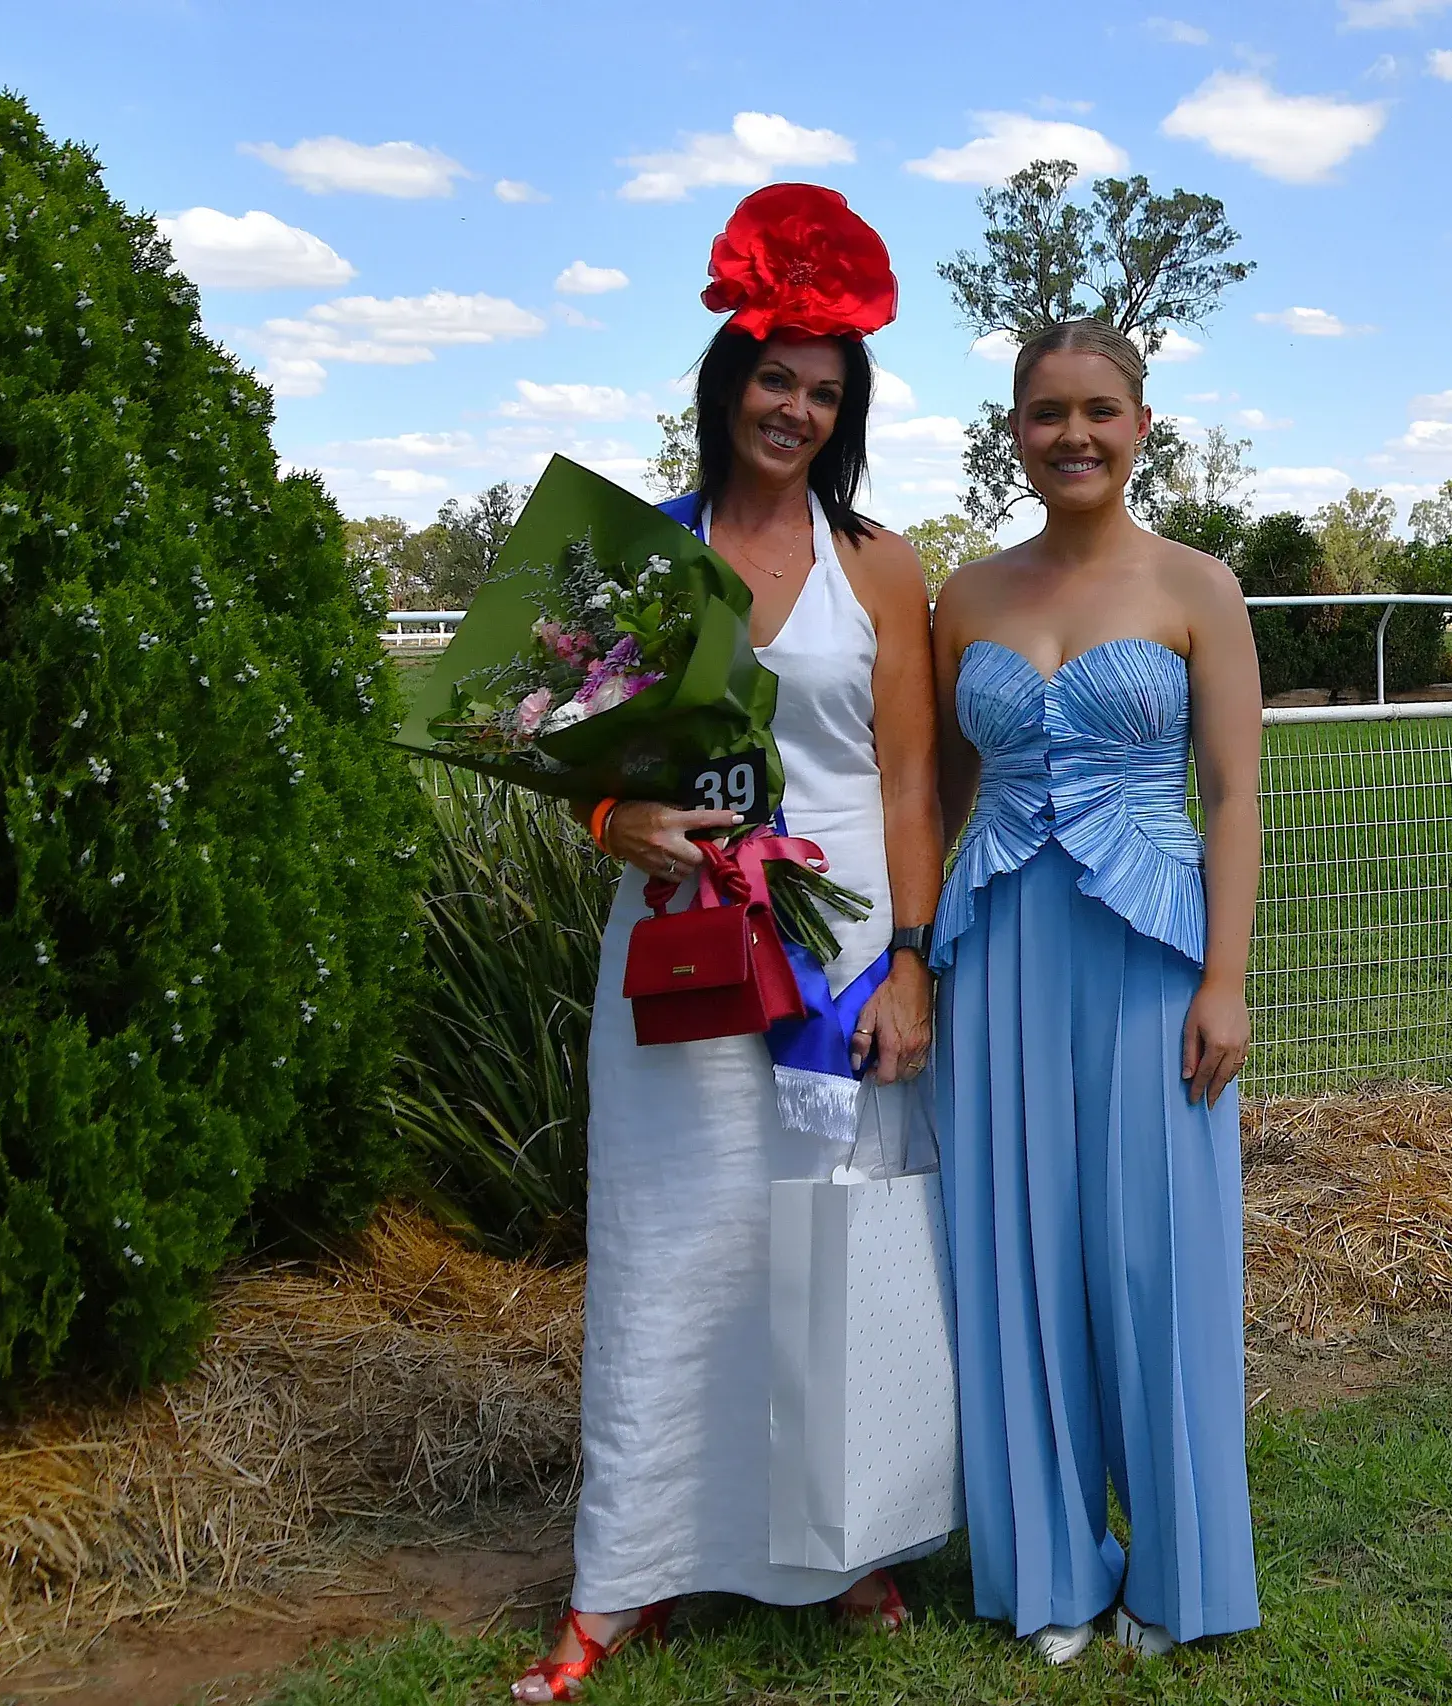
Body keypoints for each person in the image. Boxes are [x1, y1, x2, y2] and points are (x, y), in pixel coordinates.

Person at [513, 185, 946, 1702]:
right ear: (724, 382)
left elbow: (903, 776)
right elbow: (574, 757)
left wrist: (909, 960)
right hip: (682, 968)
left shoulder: (882, 566)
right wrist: (603, 824)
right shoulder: (640, 557)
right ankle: (626, 1577)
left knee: (826, 1257)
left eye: (828, 394)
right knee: (671, 1257)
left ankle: (845, 1545)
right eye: (778, 380)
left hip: (831, 978)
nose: (799, 411)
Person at [927, 319, 1264, 1664]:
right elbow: (936, 796)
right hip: (1000, 946)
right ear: (1012, 428)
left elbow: (1234, 789)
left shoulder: (1197, 585)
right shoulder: (966, 597)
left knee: (1152, 1251)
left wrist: (1226, 974)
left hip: (1152, 954)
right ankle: (1052, 1566)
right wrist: (903, 943)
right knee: (1017, 1248)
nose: (1073, 434)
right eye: (1045, 412)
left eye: (1100, 410)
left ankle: (1178, 1573)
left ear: (1141, 424)